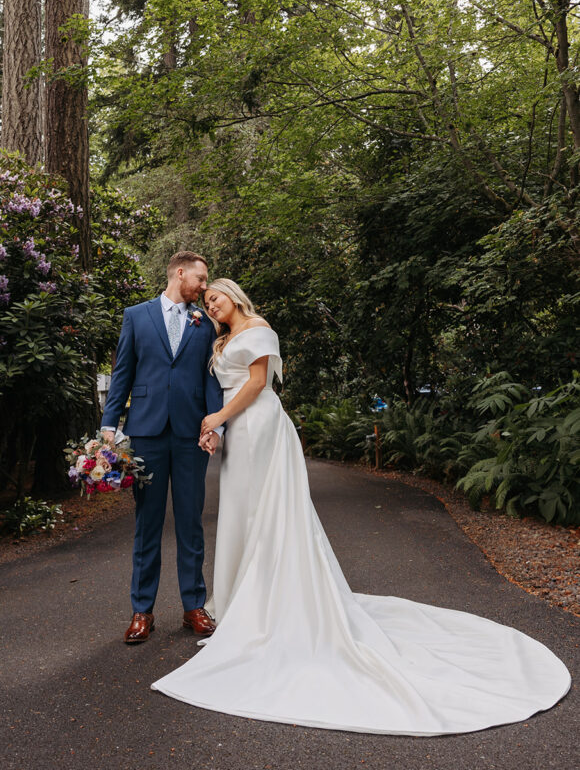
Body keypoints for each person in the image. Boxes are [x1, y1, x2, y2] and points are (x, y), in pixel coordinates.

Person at [151, 278, 571, 735]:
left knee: (269, 512)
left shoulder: (258, 328)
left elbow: (255, 384)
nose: (211, 304)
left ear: (235, 296)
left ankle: (271, 601)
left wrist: (216, 419)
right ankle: (238, 599)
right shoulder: (222, 337)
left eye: (217, 297)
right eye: (207, 300)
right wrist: (218, 425)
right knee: (242, 513)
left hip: (260, 425)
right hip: (237, 431)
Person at [101, 252, 224, 644]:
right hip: (147, 433)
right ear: (180, 272)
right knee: (147, 525)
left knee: (191, 522)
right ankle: (142, 611)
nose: (205, 287)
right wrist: (109, 424)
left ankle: (194, 607)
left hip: (191, 433)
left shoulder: (205, 322)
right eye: (201, 279)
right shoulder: (136, 315)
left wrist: (213, 423)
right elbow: (123, 372)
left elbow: (210, 378)